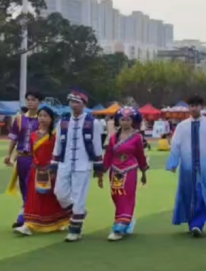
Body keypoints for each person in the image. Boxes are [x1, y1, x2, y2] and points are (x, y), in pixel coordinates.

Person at [50, 89, 105, 242]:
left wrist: (98, 166)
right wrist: (54, 163)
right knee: (60, 193)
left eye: (77, 102)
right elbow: (58, 144)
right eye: (71, 101)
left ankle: (75, 230)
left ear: (84, 104)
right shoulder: (63, 122)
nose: (73, 105)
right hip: (65, 163)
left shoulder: (93, 122)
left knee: (79, 197)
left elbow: (97, 145)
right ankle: (79, 213)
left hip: (83, 164)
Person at [167, 96, 206, 237]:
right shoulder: (182, 126)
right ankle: (192, 222)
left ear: (202, 107)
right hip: (187, 167)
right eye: (191, 105)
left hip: (204, 167)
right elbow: (175, 144)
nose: (194, 108)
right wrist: (173, 163)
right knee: (188, 194)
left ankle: (198, 224)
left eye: (196, 105)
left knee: (202, 193)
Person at [13, 105, 71, 236]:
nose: (42, 118)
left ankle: (61, 220)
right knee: (32, 198)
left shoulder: (55, 136)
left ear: (51, 119)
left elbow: (59, 153)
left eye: (45, 116)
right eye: (40, 116)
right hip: (35, 171)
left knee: (51, 198)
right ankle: (28, 225)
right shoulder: (33, 135)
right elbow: (32, 153)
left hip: (51, 171)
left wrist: (54, 168)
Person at [100, 107, 148, 241]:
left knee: (126, 196)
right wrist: (101, 172)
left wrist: (144, 172)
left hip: (130, 169)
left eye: (128, 119)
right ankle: (126, 220)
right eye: (122, 119)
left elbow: (140, 155)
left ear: (133, 121)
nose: (125, 122)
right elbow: (108, 155)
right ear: (118, 120)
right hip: (115, 171)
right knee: (116, 195)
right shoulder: (113, 138)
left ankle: (120, 226)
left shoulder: (137, 137)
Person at [5, 91, 43, 228]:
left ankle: (23, 217)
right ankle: (29, 214)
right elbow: (14, 138)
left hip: (36, 159)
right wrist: (9, 155)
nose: (30, 102)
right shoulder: (20, 119)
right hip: (22, 159)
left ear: (39, 102)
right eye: (28, 100)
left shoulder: (43, 119)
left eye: (33, 100)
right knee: (23, 186)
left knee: (30, 186)